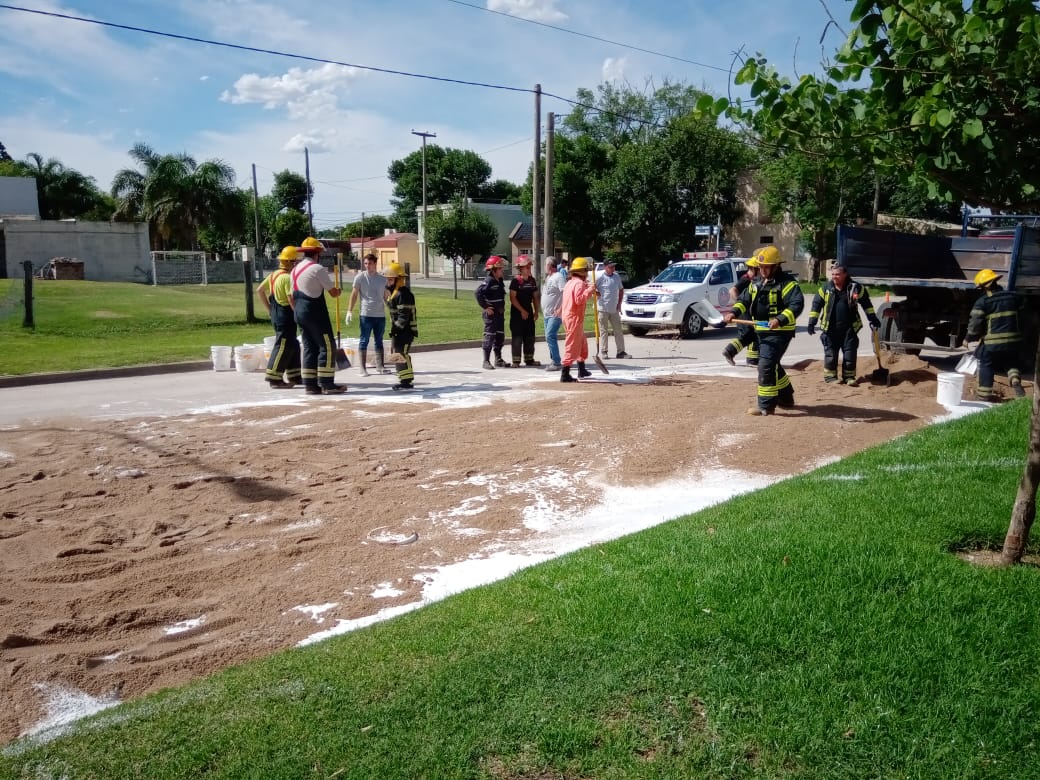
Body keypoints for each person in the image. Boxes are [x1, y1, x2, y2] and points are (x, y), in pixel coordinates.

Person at [725, 245, 804, 416]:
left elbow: (796, 305)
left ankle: (766, 406)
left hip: (780, 332)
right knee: (772, 363)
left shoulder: (788, 284)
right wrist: (733, 312)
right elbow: (744, 300)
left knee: (765, 365)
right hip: (761, 329)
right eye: (761, 267)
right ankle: (786, 397)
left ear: (776, 266)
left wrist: (779, 319)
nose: (763, 270)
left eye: (766, 267)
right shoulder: (756, 282)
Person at [806, 261, 881, 385]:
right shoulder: (825, 288)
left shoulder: (856, 288)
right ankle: (830, 378)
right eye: (833, 274)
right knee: (831, 354)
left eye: (837, 274)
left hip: (849, 328)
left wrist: (872, 318)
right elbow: (816, 306)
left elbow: (866, 304)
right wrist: (811, 323)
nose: (834, 277)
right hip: (830, 328)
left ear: (845, 274)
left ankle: (849, 377)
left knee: (850, 353)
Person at [291, 236, 346, 395]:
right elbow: (333, 292)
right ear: (317, 253)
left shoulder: (294, 270)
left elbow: (291, 294)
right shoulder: (317, 269)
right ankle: (326, 383)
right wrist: (338, 290)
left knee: (309, 348)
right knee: (328, 346)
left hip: (299, 311)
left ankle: (310, 384)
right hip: (314, 312)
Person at [965, 268, 1026, 400]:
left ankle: (983, 395)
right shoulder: (1013, 297)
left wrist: (969, 338)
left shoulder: (983, 302)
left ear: (984, 287)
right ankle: (1015, 379)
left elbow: (975, 324)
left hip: (993, 343)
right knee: (1010, 361)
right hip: (1013, 341)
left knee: (987, 363)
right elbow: (1023, 312)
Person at [256, 245, 302, 388]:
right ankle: (274, 378)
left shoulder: (274, 275)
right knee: (282, 345)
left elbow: (260, 290)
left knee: (293, 345)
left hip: (276, 312)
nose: (297, 264)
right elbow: (290, 298)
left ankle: (295, 375)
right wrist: (298, 314)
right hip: (285, 314)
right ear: (291, 262)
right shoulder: (288, 278)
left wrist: (269, 309)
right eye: (296, 262)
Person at [346, 252, 388, 376]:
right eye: (365, 263)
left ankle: (380, 366)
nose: (367, 266)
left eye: (370, 263)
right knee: (364, 340)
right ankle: (362, 368)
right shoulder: (360, 277)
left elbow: (385, 297)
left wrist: (391, 310)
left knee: (379, 340)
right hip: (366, 314)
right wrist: (349, 311)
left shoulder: (382, 279)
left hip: (380, 315)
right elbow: (354, 294)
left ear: (375, 264)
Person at [560, 256, 596, 382]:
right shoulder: (579, 283)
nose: (587, 273)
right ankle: (565, 373)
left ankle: (582, 369)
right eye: (586, 270)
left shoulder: (570, 282)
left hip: (570, 316)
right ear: (582, 271)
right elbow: (579, 299)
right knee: (572, 344)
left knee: (581, 344)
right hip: (573, 317)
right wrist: (590, 290)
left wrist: (590, 290)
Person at [722, 257, 760, 367]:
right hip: (743, 312)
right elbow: (732, 291)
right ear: (753, 268)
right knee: (750, 334)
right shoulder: (746, 279)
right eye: (759, 268)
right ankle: (731, 351)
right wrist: (741, 304)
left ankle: (751, 359)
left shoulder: (752, 280)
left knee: (751, 334)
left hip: (746, 312)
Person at [384, 262, 417, 391]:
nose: (388, 282)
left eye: (391, 279)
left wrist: (395, 329)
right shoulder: (394, 294)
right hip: (399, 331)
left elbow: (404, 316)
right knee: (398, 354)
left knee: (402, 354)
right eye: (387, 279)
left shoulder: (404, 294)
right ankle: (404, 380)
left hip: (406, 331)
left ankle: (407, 381)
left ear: (398, 280)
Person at [475, 255, 509, 369]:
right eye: (500, 268)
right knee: (489, 336)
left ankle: (498, 359)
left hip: (499, 315)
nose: (502, 270)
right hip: (491, 315)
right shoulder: (488, 281)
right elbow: (478, 293)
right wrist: (485, 307)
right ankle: (486, 361)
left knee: (500, 337)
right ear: (493, 270)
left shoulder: (499, 281)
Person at [508, 255, 541, 367]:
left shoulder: (532, 281)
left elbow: (535, 297)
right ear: (520, 268)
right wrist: (522, 311)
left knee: (530, 337)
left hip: (529, 312)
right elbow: (512, 298)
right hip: (517, 314)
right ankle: (516, 361)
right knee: (517, 337)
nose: (529, 268)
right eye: (526, 267)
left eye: (529, 266)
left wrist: (536, 311)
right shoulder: (515, 281)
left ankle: (529, 359)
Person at [594, 260, 629, 358]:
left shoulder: (616, 276)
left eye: (613, 266)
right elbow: (591, 288)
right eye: (610, 266)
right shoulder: (599, 277)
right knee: (604, 331)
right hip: (602, 308)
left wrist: (619, 303)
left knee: (618, 330)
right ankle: (604, 351)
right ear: (605, 267)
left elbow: (621, 290)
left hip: (614, 308)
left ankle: (621, 352)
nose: (613, 268)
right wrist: (597, 293)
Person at [541, 256, 566, 371]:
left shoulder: (559, 277)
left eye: (545, 264)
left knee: (549, 335)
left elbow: (565, 293)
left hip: (555, 314)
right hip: (547, 313)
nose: (544, 267)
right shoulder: (548, 277)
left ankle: (556, 362)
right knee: (549, 337)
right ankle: (554, 360)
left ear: (550, 266)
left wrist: (560, 309)